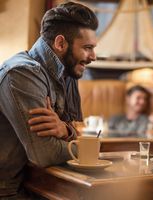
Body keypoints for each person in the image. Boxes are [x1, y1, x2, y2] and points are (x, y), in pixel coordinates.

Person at [0, 2, 98, 198]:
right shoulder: (22, 73)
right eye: (87, 48)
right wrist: (87, 149)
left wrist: (65, 129)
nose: (93, 56)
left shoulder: (66, 72)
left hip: (31, 183)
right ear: (60, 44)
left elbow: (72, 131)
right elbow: (44, 154)